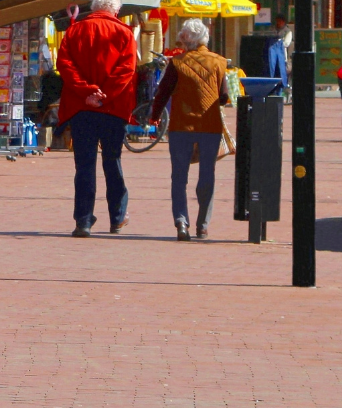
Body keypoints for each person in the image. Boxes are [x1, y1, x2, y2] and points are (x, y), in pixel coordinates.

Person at [56, 0, 137, 238]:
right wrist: (104, 96)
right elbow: (126, 69)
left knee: (84, 165)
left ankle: (83, 220)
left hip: (81, 107)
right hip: (113, 108)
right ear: (115, 9)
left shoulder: (74, 30)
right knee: (113, 161)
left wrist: (86, 92)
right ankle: (117, 217)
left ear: (93, 8)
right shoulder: (124, 32)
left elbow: (65, 65)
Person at [149, 19, 229, 241]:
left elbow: (162, 93)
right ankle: (202, 225)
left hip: (181, 126)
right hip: (210, 126)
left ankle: (181, 222)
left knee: (179, 176)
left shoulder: (177, 63)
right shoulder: (220, 62)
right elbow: (224, 97)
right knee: (207, 174)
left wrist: (154, 116)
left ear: (186, 40)